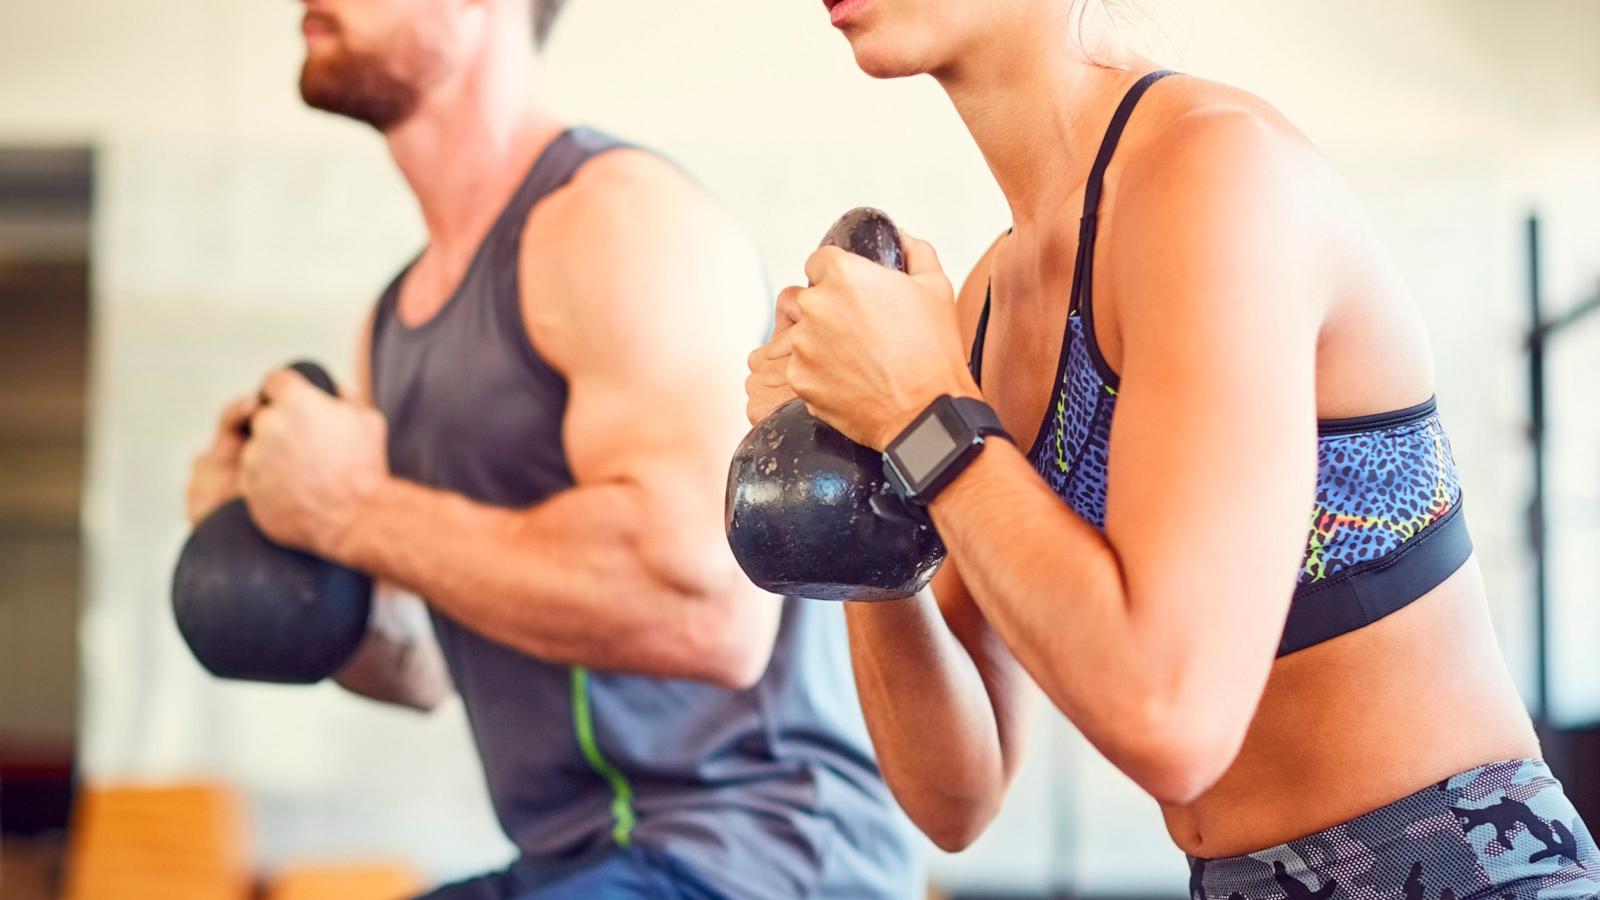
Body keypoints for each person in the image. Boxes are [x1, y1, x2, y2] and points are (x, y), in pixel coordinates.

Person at [745, 0, 1600, 896]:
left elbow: (1172, 718)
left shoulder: (1213, 168)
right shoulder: (988, 299)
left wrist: (921, 411)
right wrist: (859, 462)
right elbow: (957, 794)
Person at [183, 0, 916, 896]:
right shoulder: (392, 322)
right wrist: (286, 537)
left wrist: (350, 509)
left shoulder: (621, 223)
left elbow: (708, 615)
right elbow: (419, 666)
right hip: (571, 861)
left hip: (754, 850)